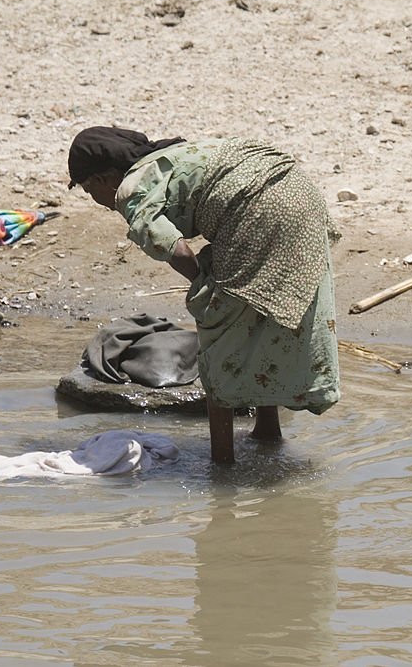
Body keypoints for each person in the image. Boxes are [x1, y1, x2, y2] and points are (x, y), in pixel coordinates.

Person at [67, 126, 340, 463]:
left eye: (86, 188)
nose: (95, 199)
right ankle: (267, 431)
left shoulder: (130, 188)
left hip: (258, 210)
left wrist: (203, 283)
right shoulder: (169, 156)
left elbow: (171, 246)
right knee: (262, 316)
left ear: (102, 179)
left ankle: (222, 465)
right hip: (299, 192)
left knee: (218, 331)